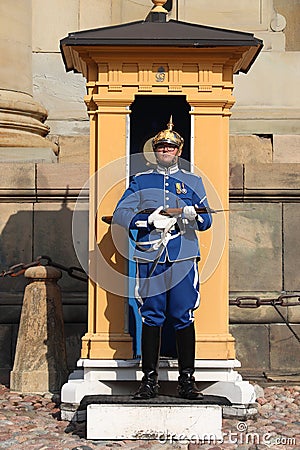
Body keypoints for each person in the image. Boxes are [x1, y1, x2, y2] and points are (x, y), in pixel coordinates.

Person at [112, 117, 212, 400]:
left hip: (182, 257)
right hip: (152, 256)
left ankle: (187, 380)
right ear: (154, 151)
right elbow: (121, 214)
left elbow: (206, 222)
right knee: (152, 314)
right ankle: (149, 380)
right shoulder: (141, 181)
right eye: (161, 147)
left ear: (179, 151)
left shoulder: (193, 181)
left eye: (170, 148)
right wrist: (148, 222)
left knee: (183, 314)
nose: (166, 151)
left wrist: (195, 216)